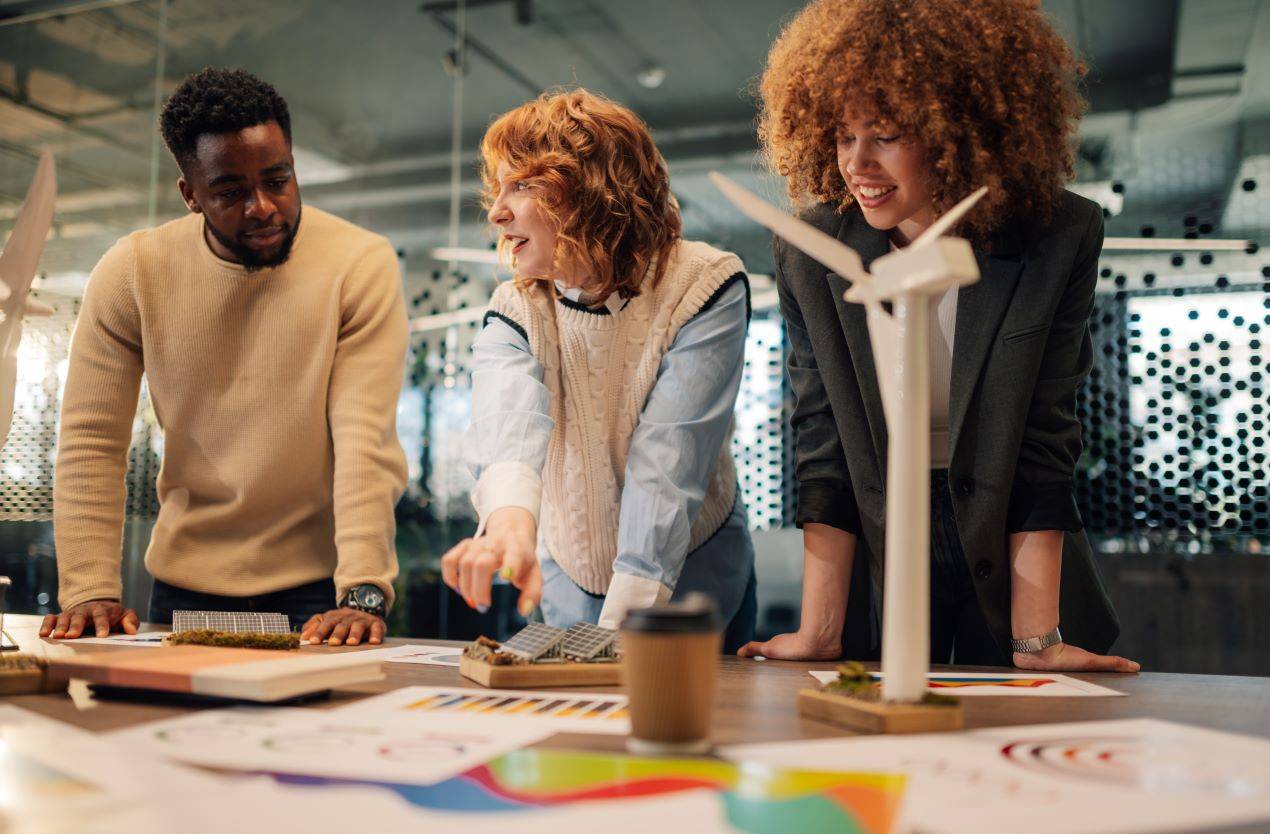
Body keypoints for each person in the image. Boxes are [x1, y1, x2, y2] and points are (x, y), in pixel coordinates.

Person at [739, 0, 1138, 672]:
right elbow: (823, 443)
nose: (857, 165)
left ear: (959, 128)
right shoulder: (812, 253)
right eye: (841, 137)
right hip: (882, 543)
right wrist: (821, 627)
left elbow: (1045, 436)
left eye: (886, 134)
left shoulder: (1057, 237)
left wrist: (1035, 640)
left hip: (1013, 540)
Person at [42, 68, 407, 646]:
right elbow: (91, 440)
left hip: (323, 591)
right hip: (185, 585)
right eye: (231, 192)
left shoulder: (358, 264)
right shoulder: (133, 273)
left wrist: (363, 588)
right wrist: (88, 589)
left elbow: (366, 442)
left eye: (278, 179)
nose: (263, 207)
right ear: (192, 195)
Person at [441, 89, 757, 651]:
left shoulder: (703, 283)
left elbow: (669, 461)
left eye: (522, 186)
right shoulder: (517, 306)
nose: (496, 212)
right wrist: (510, 529)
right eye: (497, 189)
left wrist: (625, 624)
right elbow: (507, 421)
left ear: (588, 191)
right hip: (568, 572)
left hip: (692, 569)